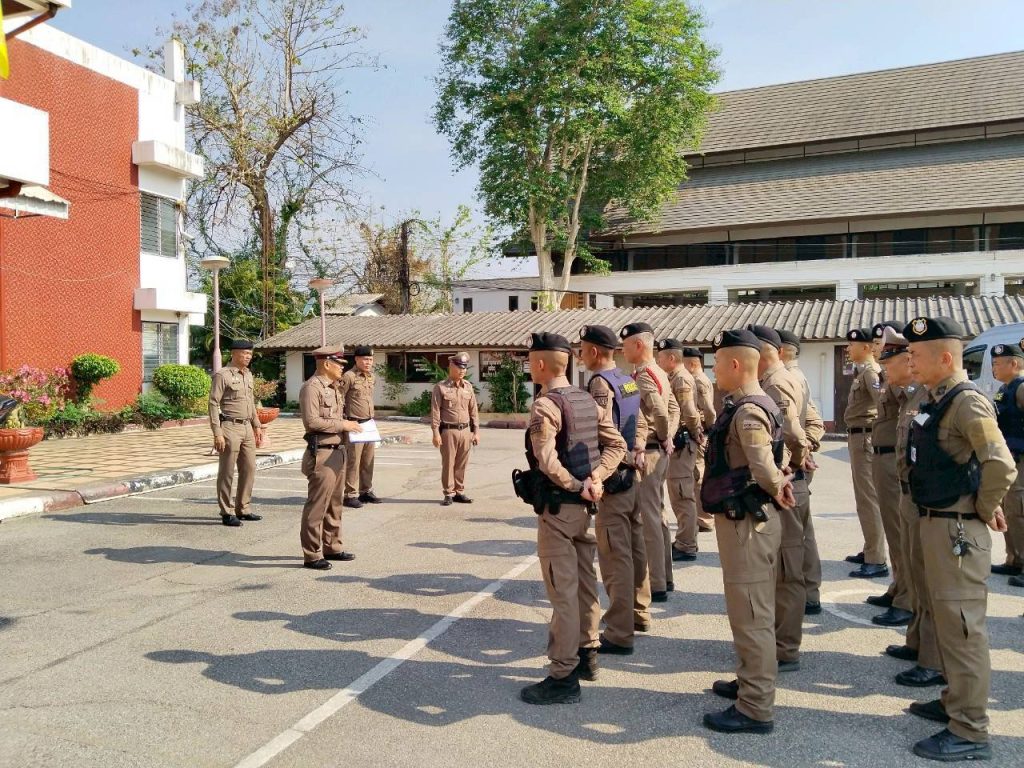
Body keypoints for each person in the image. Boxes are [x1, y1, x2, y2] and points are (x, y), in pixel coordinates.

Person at [903, 316, 1015, 762]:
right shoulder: (938, 398)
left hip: (958, 530)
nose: (910, 361)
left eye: (916, 354)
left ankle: (970, 730)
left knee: (964, 630)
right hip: (937, 523)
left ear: (945, 358)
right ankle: (955, 702)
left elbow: (1001, 464)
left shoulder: (967, 403)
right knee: (948, 625)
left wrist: (984, 508)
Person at [518, 332, 626, 705]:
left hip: (560, 510)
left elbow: (547, 461)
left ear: (540, 364)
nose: (530, 366)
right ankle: (588, 655)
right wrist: (598, 478)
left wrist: (580, 484)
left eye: (530, 361)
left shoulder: (545, 406)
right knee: (584, 585)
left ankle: (563, 675)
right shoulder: (586, 399)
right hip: (585, 511)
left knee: (562, 593)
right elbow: (617, 444)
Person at [703, 329, 794, 734]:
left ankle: (756, 707)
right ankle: (749, 682)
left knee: (752, 616)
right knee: (751, 611)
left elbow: (764, 466)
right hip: (747, 523)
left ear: (736, 364)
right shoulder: (756, 403)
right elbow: (780, 455)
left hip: (748, 526)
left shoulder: (748, 411)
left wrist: (777, 484)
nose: (714, 371)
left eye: (718, 363)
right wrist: (779, 480)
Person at [578, 324, 651, 655]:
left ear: (594, 351)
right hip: (631, 474)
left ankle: (620, 632)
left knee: (615, 557)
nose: (580, 356)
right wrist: (638, 449)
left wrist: (596, 474)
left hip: (612, 479)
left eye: (582, 350)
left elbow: (601, 433)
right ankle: (639, 613)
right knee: (636, 548)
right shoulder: (626, 379)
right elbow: (641, 420)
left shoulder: (600, 383)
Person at [880, 326, 944, 689]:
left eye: (913, 357)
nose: (910, 363)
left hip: (928, 502)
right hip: (910, 496)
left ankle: (933, 661)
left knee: (931, 582)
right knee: (916, 574)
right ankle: (917, 641)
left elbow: (993, 464)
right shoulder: (914, 396)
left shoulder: (937, 398)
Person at [747, 325, 809, 674]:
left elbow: (795, 433)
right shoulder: (786, 377)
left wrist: (794, 464)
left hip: (785, 485)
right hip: (787, 481)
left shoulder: (775, 383)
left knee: (785, 571)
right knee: (784, 567)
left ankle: (785, 649)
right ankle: (779, 643)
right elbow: (812, 421)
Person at [620, 322, 679, 602]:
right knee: (659, 515)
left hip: (650, 452)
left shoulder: (644, 375)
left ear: (638, 345)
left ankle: (656, 584)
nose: (622, 350)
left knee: (649, 519)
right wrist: (669, 437)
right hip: (659, 450)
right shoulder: (659, 372)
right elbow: (674, 408)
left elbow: (660, 411)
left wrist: (665, 436)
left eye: (625, 345)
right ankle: (665, 577)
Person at [298, 345, 363, 570]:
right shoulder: (312, 388)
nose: (342, 368)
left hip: (338, 451)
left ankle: (332, 546)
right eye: (339, 364)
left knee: (335, 504)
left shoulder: (334, 387)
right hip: (322, 453)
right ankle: (312, 554)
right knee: (318, 506)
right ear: (326, 364)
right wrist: (343, 424)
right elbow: (312, 422)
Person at [868, 322, 915, 626]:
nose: (882, 360)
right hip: (882, 456)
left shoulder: (907, 385)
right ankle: (898, 586)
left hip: (892, 459)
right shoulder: (890, 380)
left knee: (899, 533)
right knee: (892, 526)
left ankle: (907, 598)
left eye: (887, 356)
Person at [777, 329, 826, 615]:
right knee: (803, 535)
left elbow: (808, 424)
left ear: (780, 351)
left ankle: (804, 595)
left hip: (791, 469)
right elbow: (815, 423)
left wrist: (800, 453)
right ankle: (809, 593)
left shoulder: (787, 379)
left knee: (795, 539)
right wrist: (806, 448)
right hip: (796, 464)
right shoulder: (798, 377)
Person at [844, 327, 888, 579]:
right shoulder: (861, 372)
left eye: (852, 345)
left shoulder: (871, 372)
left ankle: (876, 558)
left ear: (866, 347)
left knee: (869, 499)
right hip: (857, 437)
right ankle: (870, 547)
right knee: (863, 499)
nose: (848, 349)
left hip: (864, 438)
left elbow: (884, 407)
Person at [657, 338, 704, 563]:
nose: (658, 360)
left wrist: (695, 432)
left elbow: (689, 411)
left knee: (682, 494)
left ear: (671, 358)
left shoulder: (681, 378)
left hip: (683, 443)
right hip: (679, 442)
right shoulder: (674, 377)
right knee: (681, 493)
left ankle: (686, 545)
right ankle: (687, 540)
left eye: (660, 357)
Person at [208, 339, 264, 527]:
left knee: (249, 468)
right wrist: (217, 432)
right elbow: (213, 403)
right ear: (233, 354)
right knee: (227, 471)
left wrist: (257, 425)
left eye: (250, 354)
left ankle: (243, 508)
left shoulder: (248, 374)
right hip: (230, 427)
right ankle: (227, 511)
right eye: (244, 353)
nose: (248, 357)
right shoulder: (222, 375)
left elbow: (251, 401)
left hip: (247, 427)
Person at [990, 341, 1024, 587]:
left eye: (997, 364)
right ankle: (1014, 559)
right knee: (1010, 509)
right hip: (1008, 458)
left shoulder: (1021, 388)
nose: (994, 368)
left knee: (1019, 511)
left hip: (1020, 460)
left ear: (1013, 363)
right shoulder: (1005, 389)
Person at [430, 352, 479, 506]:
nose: (462, 370)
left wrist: (476, 432)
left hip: (465, 431)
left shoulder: (468, 387)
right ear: (451, 367)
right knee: (448, 463)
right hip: (448, 431)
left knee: (462, 463)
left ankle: (459, 491)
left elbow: (473, 411)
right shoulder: (441, 387)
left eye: (464, 368)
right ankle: (449, 493)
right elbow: (435, 412)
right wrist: (436, 433)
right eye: (459, 367)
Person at [340, 345, 381, 509]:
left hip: (369, 424)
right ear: (356, 359)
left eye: (370, 359)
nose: (368, 362)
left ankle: (366, 491)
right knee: (353, 462)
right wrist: (344, 423)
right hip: (354, 424)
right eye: (365, 359)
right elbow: (339, 399)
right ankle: (350, 494)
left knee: (368, 460)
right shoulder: (348, 376)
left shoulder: (371, 377)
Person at [683, 347, 717, 534]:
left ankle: (704, 518)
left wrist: (709, 429)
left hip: (700, 433)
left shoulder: (698, 381)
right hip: (698, 432)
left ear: (691, 363)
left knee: (698, 475)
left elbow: (709, 410)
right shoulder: (699, 379)